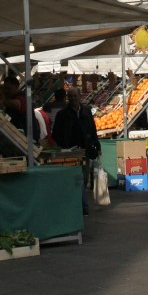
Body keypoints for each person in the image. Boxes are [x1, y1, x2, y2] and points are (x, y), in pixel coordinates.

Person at [51, 86, 101, 214]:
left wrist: (97, 145)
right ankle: (81, 206)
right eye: (71, 96)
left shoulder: (86, 111)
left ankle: (80, 204)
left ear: (80, 97)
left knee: (83, 179)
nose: (73, 98)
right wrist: (64, 145)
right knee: (74, 178)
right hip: (70, 151)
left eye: (75, 96)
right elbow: (56, 133)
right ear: (68, 98)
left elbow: (93, 129)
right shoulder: (62, 114)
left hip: (85, 150)